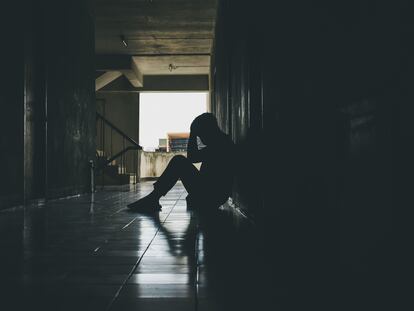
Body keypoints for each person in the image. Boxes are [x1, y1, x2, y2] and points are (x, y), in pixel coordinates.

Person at [127, 113, 235, 213]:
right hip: (213, 194)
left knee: (179, 161)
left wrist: (192, 134)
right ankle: (153, 198)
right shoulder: (222, 141)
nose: (200, 139)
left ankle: (153, 198)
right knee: (179, 161)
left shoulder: (221, 144)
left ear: (208, 130)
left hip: (212, 195)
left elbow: (192, 157)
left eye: (200, 134)